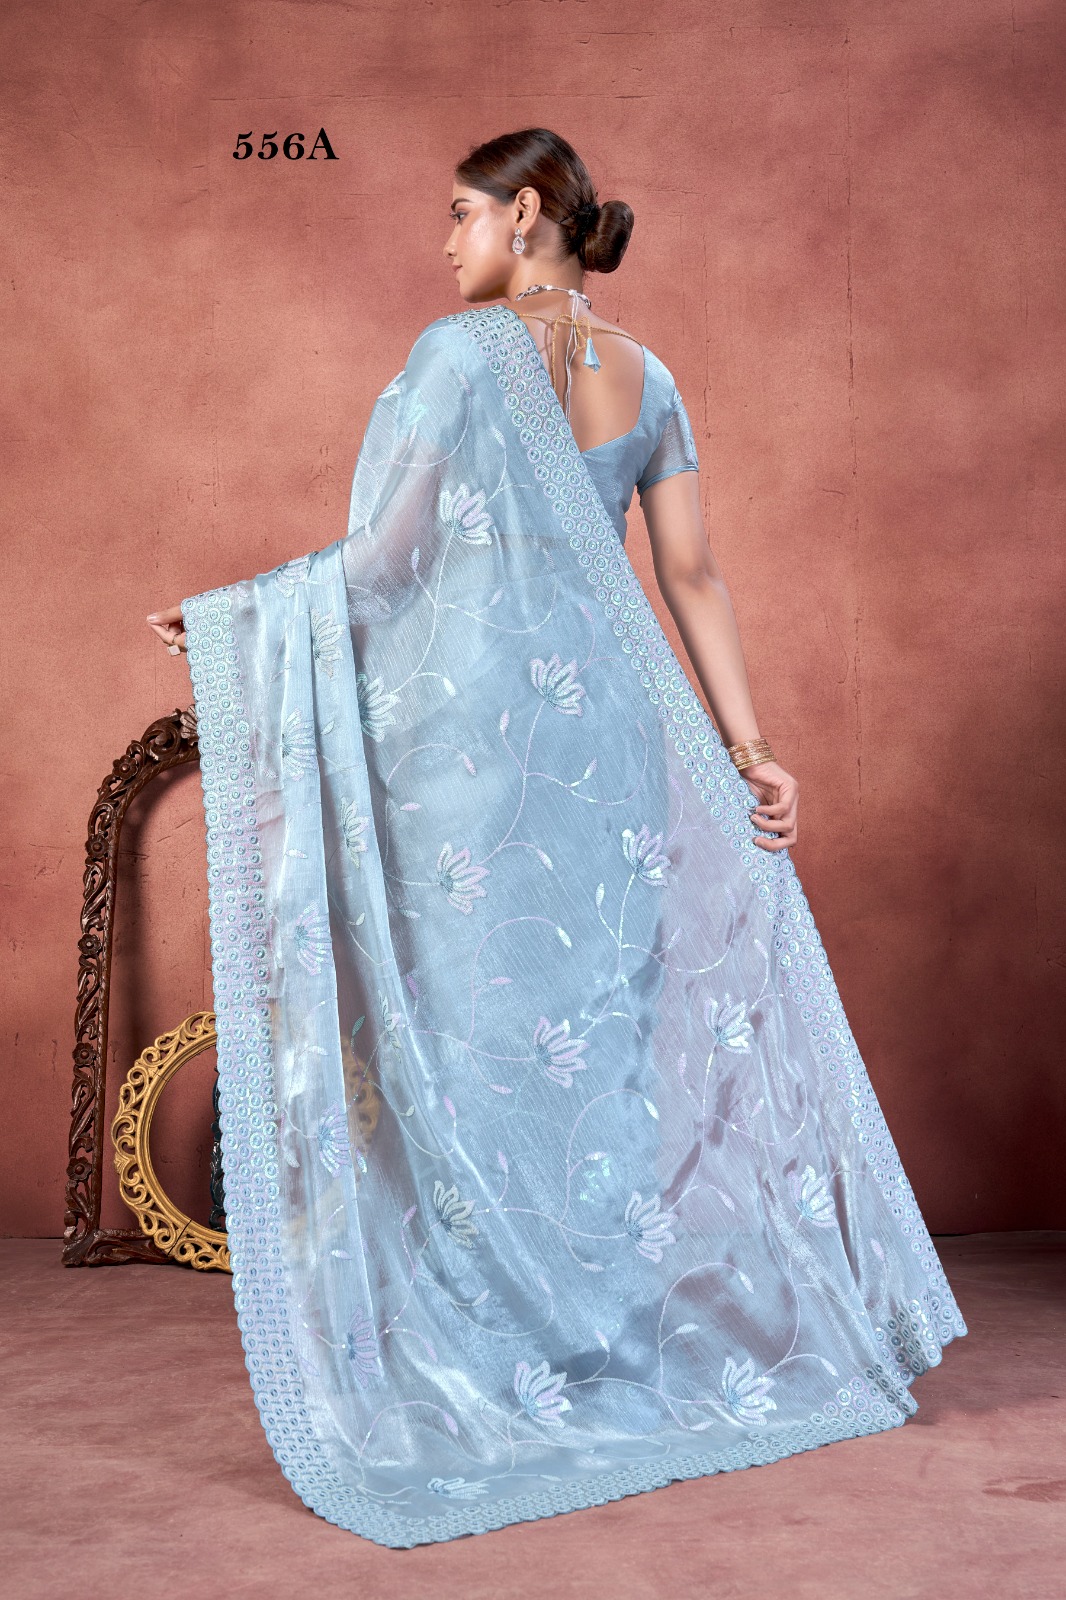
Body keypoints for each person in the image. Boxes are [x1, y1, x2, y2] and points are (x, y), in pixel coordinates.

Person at [146, 128, 966, 1549]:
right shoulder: (651, 376)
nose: (445, 241)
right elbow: (692, 575)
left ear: (526, 214)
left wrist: (235, 617)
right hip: (614, 762)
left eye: (461, 214)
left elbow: (386, 562)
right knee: (597, 1038)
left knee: (478, 1039)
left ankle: (494, 1352)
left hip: (474, 763)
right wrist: (752, 751)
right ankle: (602, 1341)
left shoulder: (459, 358)